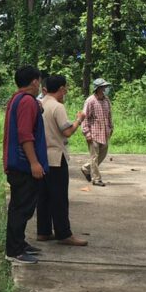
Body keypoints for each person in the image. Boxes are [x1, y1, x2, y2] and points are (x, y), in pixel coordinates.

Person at [3, 65, 49, 265]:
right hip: (23, 166)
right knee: (21, 209)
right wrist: (34, 163)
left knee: (20, 207)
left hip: (16, 163)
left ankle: (19, 243)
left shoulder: (17, 99)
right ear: (34, 81)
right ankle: (14, 251)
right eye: (39, 81)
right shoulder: (27, 101)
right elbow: (25, 134)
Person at [36, 75, 88, 246]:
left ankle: (43, 231)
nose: (66, 91)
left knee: (43, 196)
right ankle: (64, 233)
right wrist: (79, 120)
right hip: (57, 157)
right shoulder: (57, 107)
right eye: (65, 88)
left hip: (42, 156)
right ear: (60, 89)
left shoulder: (40, 103)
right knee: (59, 198)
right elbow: (67, 132)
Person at [80, 77, 113, 187]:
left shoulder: (106, 100)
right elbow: (84, 117)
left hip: (104, 133)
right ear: (98, 88)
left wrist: (111, 128)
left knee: (102, 155)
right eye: (103, 87)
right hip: (93, 133)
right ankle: (96, 179)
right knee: (94, 157)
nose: (105, 89)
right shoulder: (90, 101)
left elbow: (109, 115)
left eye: (106, 87)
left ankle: (86, 168)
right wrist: (87, 133)